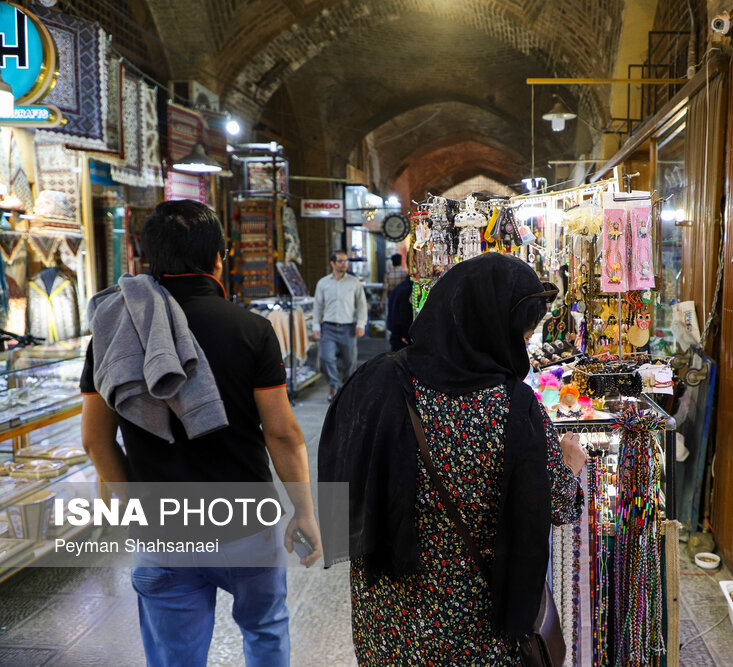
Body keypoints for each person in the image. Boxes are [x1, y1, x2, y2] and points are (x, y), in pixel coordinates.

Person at [80, 200, 322, 667]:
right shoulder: (252, 330)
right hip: (246, 521)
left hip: (164, 526)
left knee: (175, 656)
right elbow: (283, 434)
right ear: (219, 257)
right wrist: (304, 511)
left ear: (147, 257)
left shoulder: (111, 333)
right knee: (265, 631)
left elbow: (95, 439)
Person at [317, 253, 588, 665]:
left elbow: (339, 482)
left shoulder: (376, 381)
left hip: (388, 622)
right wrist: (570, 462)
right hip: (474, 631)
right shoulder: (514, 407)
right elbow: (560, 504)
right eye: (522, 333)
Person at [313, 250, 367, 401]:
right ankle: (334, 387)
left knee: (350, 361)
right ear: (332, 263)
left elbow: (362, 305)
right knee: (326, 358)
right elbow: (317, 306)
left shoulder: (354, 282)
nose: (345, 264)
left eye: (346, 261)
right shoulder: (323, 283)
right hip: (328, 327)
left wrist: (361, 324)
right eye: (341, 261)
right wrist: (316, 327)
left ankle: (348, 388)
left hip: (348, 328)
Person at [385, 274, 413, 351]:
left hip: (396, 333)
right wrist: (406, 336)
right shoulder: (408, 290)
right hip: (402, 336)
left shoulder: (399, 287)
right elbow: (404, 316)